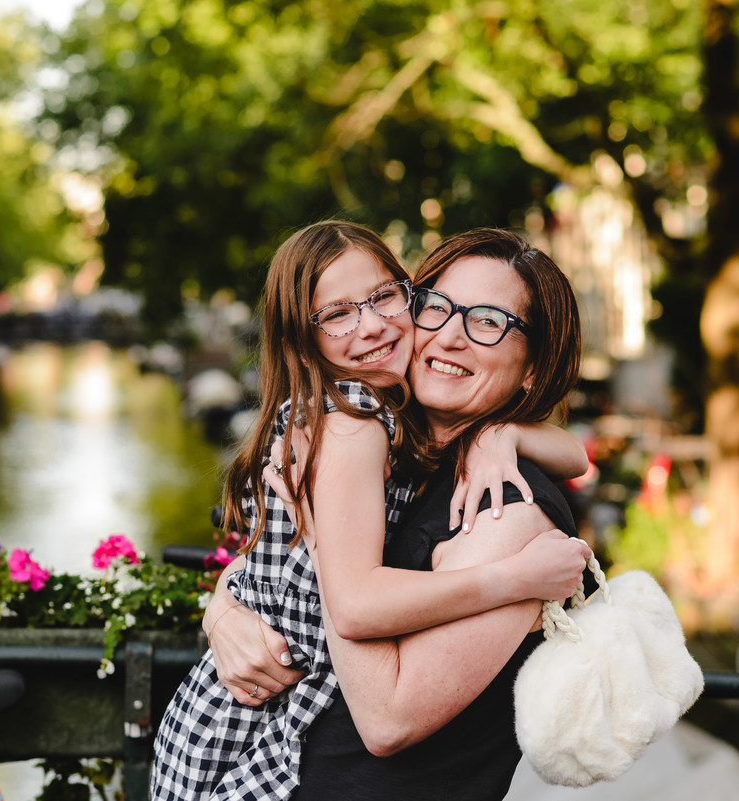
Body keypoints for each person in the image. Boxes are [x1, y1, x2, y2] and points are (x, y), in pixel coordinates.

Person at [151, 221, 589, 801]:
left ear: (533, 365)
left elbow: (387, 719)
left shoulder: (504, 506)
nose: (451, 336)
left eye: (488, 321)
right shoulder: (395, 440)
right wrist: (226, 608)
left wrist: (506, 441)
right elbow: (294, 572)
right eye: (439, 307)